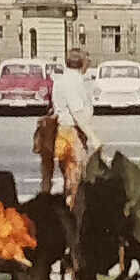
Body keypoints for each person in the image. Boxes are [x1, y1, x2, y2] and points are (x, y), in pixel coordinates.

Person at [49, 49, 102, 206]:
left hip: (63, 134)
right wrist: (94, 137)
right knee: (76, 183)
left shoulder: (62, 80)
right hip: (72, 135)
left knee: (70, 180)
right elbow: (77, 112)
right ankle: (73, 222)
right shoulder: (73, 82)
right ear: (83, 63)